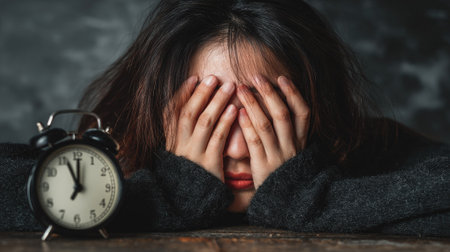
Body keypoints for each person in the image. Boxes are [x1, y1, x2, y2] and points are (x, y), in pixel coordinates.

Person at [1, 0, 449, 236]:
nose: (237, 150)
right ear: (157, 113)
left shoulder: (359, 147)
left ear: (315, 110)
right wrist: (160, 197)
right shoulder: (108, 160)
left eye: (262, 117)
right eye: (209, 117)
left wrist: (312, 198)